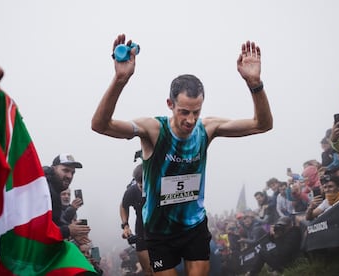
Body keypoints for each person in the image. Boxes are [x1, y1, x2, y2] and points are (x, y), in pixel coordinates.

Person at [91, 34, 273, 275]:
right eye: (184, 112)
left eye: (196, 112)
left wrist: (255, 84)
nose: (190, 120)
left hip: (193, 227)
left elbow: (262, 124)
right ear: (170, 104)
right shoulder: (154, 130)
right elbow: (100, 125)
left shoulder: (207, 128)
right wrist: (120, 80)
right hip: (158, 233)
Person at [44, 153, 90, 244]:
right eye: (65, 170)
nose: (70, 176)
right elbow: (39, 229)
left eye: (72, 173)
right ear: (53, 168)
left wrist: (73, 232)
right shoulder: (45, 189)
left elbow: (54, 223)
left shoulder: (54, 190)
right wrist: (68, 230)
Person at [120, 163, 153, 276]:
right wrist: (125, 225)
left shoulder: (161, 184)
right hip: (141, 231)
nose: (144, 188)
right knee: (148, 270)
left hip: (161, 229)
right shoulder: (132, 191)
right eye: (141, 186)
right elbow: (123, 206)